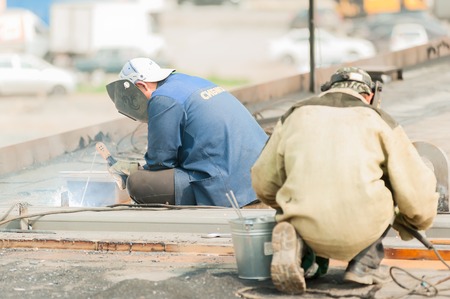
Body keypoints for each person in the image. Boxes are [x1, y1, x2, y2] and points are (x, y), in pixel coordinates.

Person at [250, 67, 439, 294]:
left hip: (303, 222)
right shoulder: (380, 121)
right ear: (370, 95)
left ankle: (299, 250)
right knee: (389, 190)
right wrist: (414, 222)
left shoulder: (295, 114)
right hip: (362, 231)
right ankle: (363, 265)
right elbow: (416, 193)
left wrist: (287, 203)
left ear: (330, 88)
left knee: (299, 191)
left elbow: (263, 181)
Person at [105, 57, 268, 207]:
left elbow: (160, 163)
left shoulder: (163, 99)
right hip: (260, 177)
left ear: (141, 85)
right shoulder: (189, 81)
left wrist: (134, 171)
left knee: (138, 183)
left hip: (229, 186)